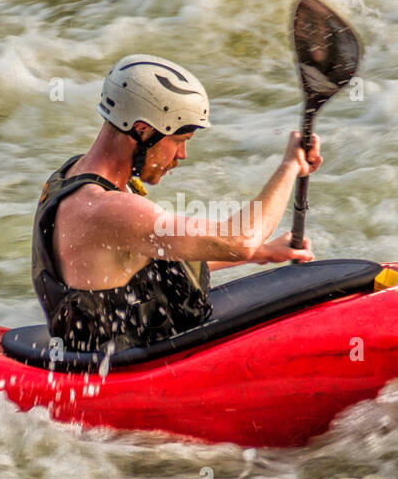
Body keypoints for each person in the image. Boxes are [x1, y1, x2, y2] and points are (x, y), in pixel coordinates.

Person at [32, 54, 322, 352]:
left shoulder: (72, 176)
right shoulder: (105, 208)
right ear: (143, 129)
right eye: (179, 139)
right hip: (126, 373)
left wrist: (262, 253)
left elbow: (141, 262)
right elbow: (241, 239)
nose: (182, 155)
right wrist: (290, 167)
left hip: (106, 355)